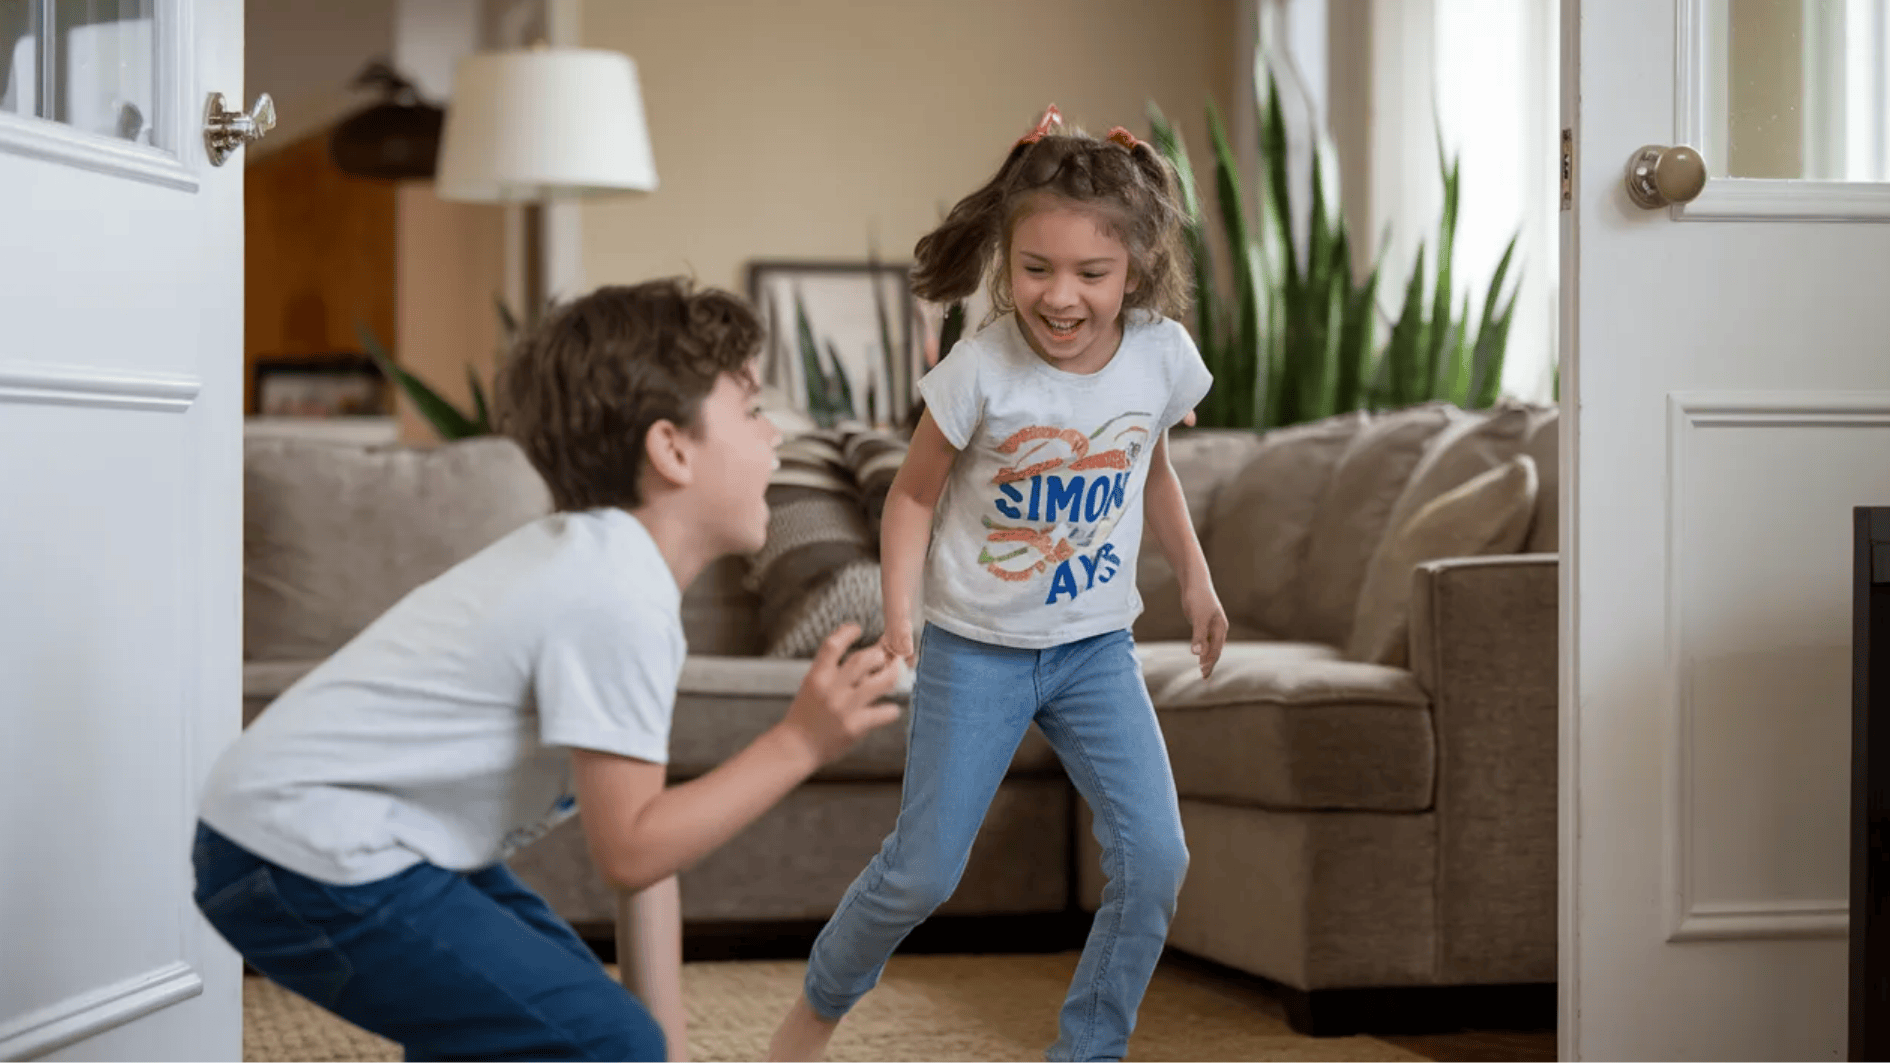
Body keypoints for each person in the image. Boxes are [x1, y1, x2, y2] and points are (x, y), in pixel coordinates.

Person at [190, 278, 903, 1062]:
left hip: (339, 843)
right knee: (600, 1038)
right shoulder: (612, 593)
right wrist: (799, 741)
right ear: (671, 448)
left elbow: (646, 857)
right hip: (299, 851)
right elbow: (632, 848)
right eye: (753, 411)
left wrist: (656, 1047)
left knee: (588, 1025)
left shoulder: (616, 575)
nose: (775, 439)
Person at [768, 105, 1227, 1063]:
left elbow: (1151, 467)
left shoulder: (1160, 356)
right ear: (1004, 262)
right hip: (977, 647)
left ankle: (1087, 1051)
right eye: (1036, 269)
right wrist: (899, 618)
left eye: (1091, 274)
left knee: (1157, 859)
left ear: (1135, 269)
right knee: (923, 873)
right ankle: (816, 1007)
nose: (1061, 297)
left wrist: (1197, 581)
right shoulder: (979, 370)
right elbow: (911, 497)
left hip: (1095, 648)